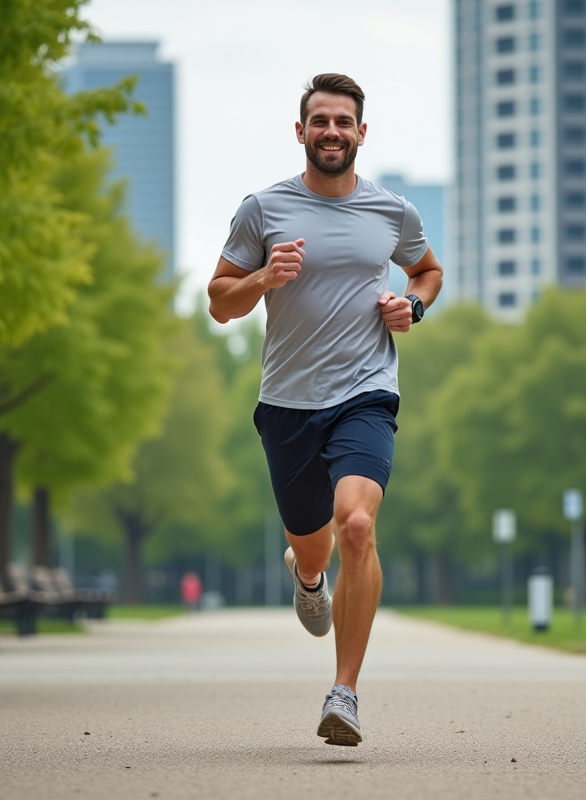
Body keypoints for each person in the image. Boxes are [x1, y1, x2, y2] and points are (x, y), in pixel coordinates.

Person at [207, 73, 443, 747]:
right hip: (287, 404)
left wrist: (413, 306)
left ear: (361, 133)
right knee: (314, 542)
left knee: (358, 526)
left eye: (345, 122)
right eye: (321, 121)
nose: (332, 132)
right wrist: (261, 277)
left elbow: (428, 271)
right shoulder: (262, 209)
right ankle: (307, 574)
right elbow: (220, 303)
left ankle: (345, 692)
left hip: (367, 393)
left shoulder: (392, 213)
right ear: (301, 130)